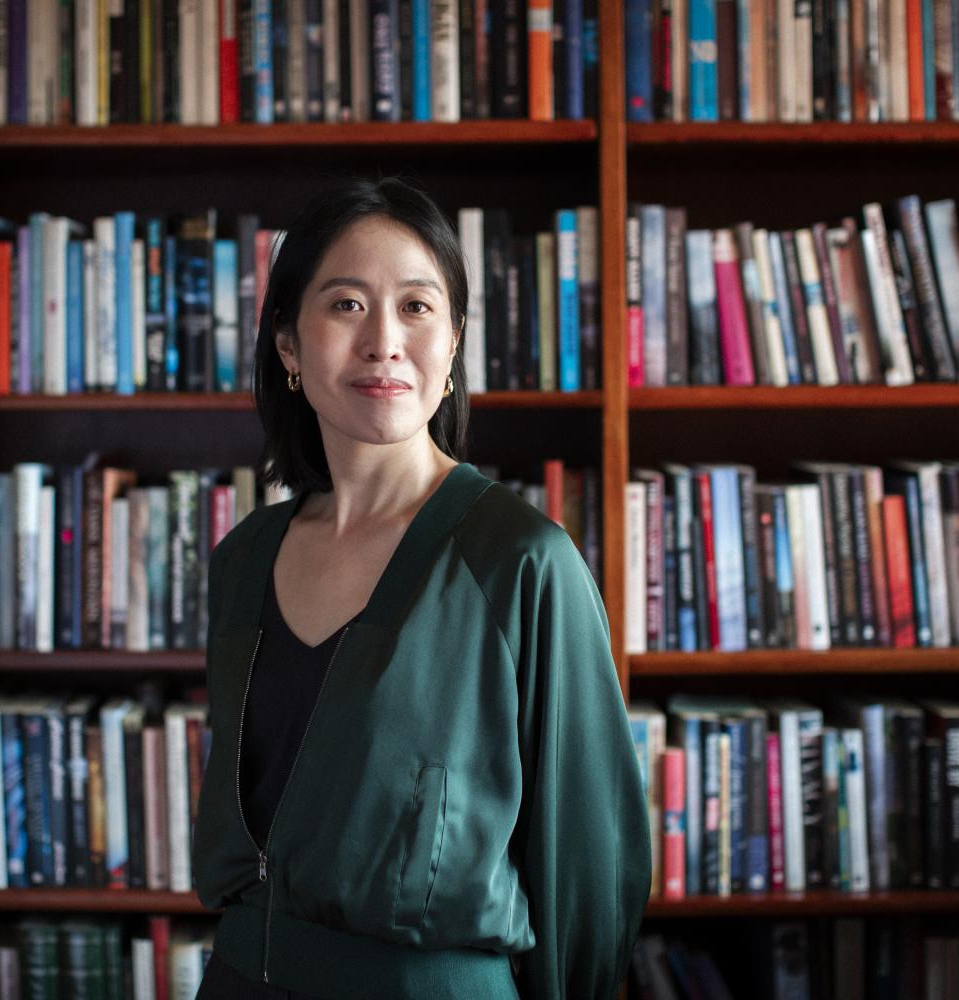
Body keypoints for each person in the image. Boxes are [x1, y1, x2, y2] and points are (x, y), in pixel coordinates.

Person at [192, 175, 649, 1000]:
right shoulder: (243, 561)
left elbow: (591, 872)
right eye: (345, 305)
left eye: (416, 306)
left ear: (455, 342)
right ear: (289, 346)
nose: (383, 343)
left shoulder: (522, 562)